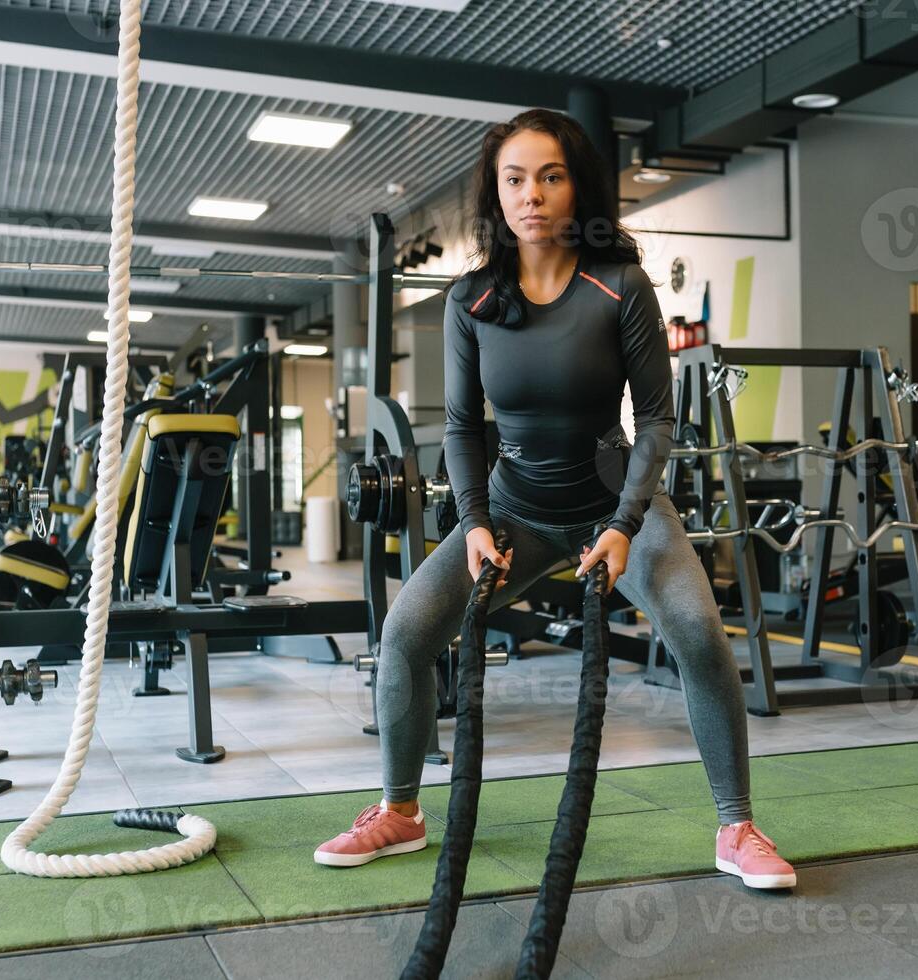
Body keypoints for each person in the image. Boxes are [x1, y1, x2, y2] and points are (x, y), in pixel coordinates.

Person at [314, 108, 795, 890]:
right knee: (404, 636)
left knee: (699, 633)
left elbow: (657, 421)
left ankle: (737, 826)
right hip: (514, 513)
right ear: (494, 193)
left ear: (578, 189)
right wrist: (473, 523)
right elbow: (465, 426)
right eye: (514, 179)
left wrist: (625, 525)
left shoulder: (620, 286)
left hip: (615, 506)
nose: (530, 194)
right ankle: (399, 811)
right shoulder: (470, 299)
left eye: (550, 175)